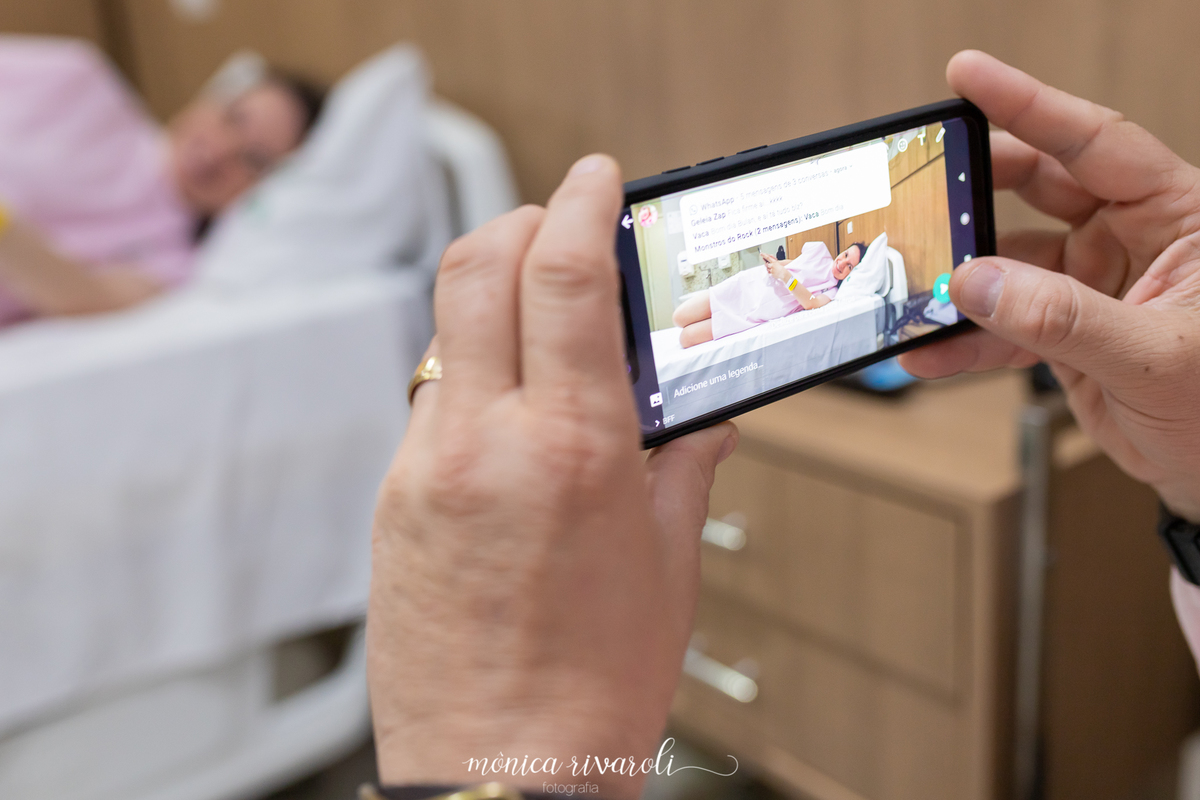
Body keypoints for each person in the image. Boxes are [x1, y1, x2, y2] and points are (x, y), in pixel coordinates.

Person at [366, 49, 1200, 800]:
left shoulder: (849, 271)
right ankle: (694, 319)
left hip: (779, 302)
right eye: (843, 258)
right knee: (713, 307)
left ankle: (696, 322)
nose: (845, 262)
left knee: (714, 318)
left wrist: (478, 755)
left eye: (848, 261)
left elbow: (811, 290)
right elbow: (788, 276)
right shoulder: (820, 257)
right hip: (768, 288)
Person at [0, 37, 324, 324]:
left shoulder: (174, 262)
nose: (221, 150)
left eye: (254, 160)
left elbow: (89, 297)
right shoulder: (78, 79)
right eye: (233, 117)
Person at [671, 240, 865, 348]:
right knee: (678, 317)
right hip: (747, 286)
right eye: (846, 255)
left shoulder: (831, 292)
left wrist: (785, 276)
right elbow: (796, 263)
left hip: (756, 312)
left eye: (850, 266)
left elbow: (810, 303)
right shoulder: (819, 249)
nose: (842, 263)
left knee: (685, 338)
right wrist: (776, 264)